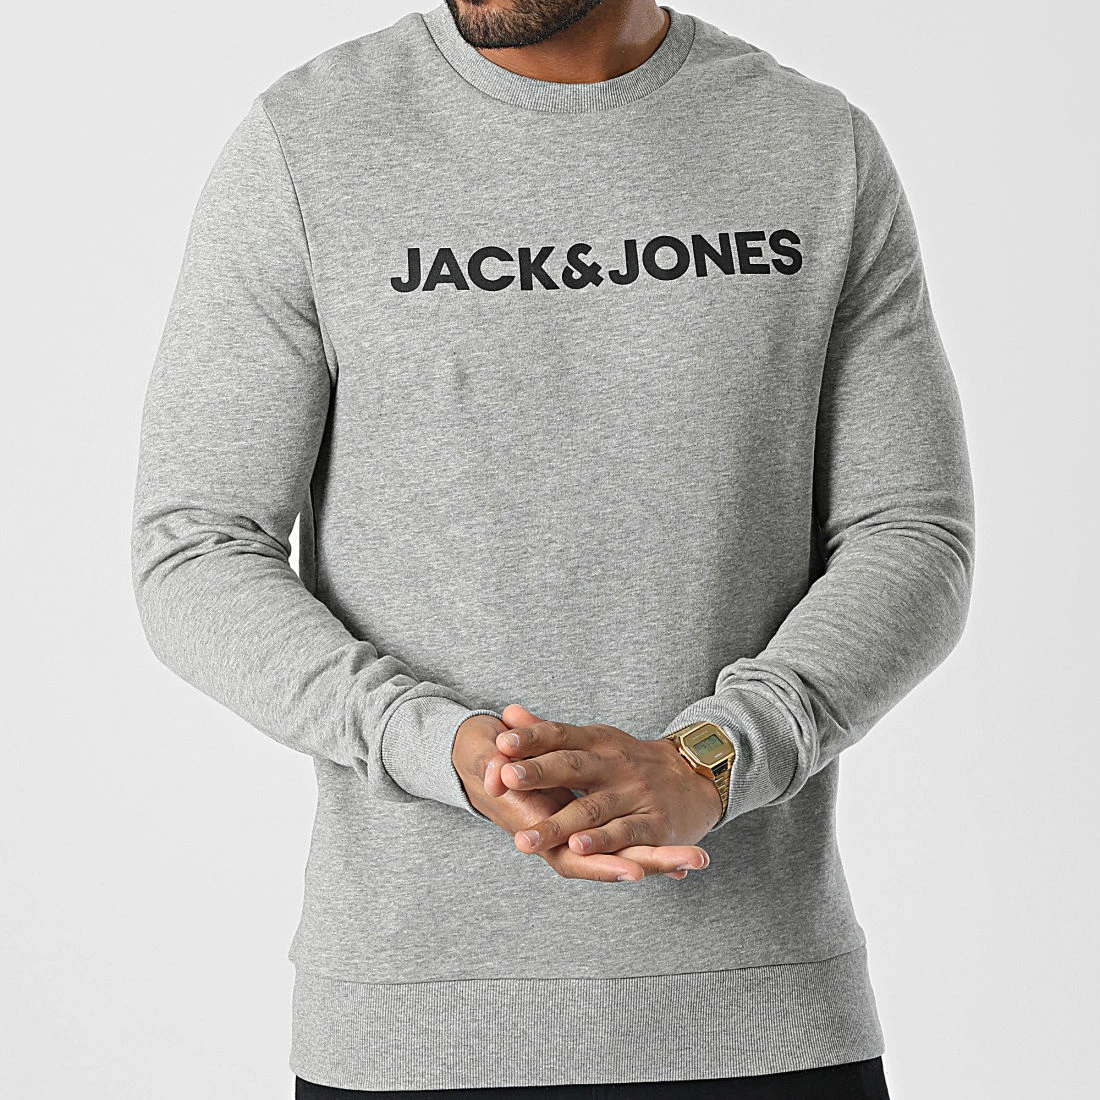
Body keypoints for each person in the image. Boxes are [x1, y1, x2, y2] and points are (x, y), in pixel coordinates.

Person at [130, 0, 975, 1096]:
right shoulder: (310, 144)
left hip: (764, 1012)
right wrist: (441, 746)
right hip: (416, 1021)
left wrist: (711, 758)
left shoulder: (813, 146)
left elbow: (911, 535)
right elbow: (195, 547)